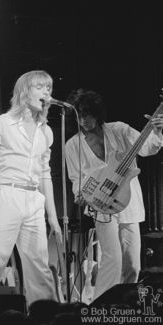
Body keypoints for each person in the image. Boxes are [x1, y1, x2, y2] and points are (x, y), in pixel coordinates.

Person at [0, 70, 62, 305]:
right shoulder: (1, 123)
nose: (46, 92)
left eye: (49, 88)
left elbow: (45, 174)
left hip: (34, 200)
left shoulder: (46, 132)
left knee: (39, 267)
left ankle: (43, 318)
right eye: (40, 87)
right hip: (6, 195)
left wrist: (53, 217)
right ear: (24, 92)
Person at [64, 89, 163, 300]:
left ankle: (125, 304)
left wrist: (156, 131)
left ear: (96, 112)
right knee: (112, 259)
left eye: (87, 114)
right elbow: (76, 179)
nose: (84, 121)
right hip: (100, 204)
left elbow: (148, 149)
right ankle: (102, 307)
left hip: (128, 201)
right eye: (79, 117)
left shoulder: (118, 130)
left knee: (132, 263)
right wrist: (79, 194)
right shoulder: (72, 145)